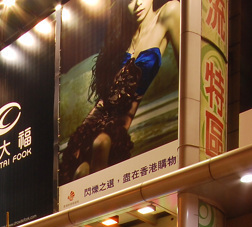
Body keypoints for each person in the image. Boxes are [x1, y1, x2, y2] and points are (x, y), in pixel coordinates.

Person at [58, 0, 182, 182]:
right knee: (80, 171)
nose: (138, 4)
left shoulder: (168, 13)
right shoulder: (124, 39)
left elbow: (187, 66)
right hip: (97, 117)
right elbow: (106, 94)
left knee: (102, 144)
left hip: (116, 126)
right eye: (131, 1)